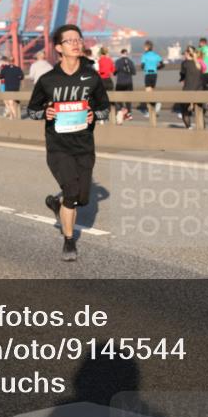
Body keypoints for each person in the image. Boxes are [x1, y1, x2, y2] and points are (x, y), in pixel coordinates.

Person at [27, 24, 110, 261]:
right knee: (72, 192)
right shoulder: (48, 80)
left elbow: (105, 108)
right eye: (70, 41)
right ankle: (68, 241)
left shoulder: (91, 77)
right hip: (58, 146)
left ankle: (58, 204)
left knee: (82, 198)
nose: (76, 44)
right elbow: (32, 110)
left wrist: (96, 114)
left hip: (84, 144)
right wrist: (46, 113)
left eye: (78, 40)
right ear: (59, 48)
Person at [175, 46, 203, 129]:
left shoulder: (185, 63)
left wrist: (182, 79)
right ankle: (202, 129)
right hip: (199, 90)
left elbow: (182, 74)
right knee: (199, 112)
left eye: (185, 53)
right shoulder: (200, 62)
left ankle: (189, 127)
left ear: (187, 53)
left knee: (184, 111)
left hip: (188, 90)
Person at [139, 40, 163, 116]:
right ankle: (156, 104)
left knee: (148, 94)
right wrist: (156, 68)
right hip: (154, 74)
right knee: (151, 91)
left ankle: (151, 110)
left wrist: (145, 67)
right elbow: (162, 64)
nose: (143, 48)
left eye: (144, 46)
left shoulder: (144, 55)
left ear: (147, 47)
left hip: (148, 74)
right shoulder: (156, 55)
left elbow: (142, 66)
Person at [113, 48, 136, 123]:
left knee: (118, 98)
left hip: (120, 82)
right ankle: (129, 114)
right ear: (127, 54)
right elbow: (134, 72)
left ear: (121, 53)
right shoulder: (130, 62)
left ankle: (122, 111)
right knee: (128, 99)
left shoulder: (117, 62)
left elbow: (114, 72)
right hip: (129, 83)